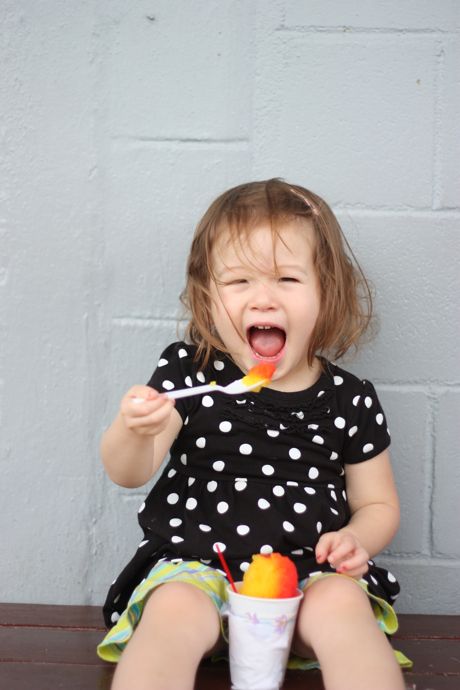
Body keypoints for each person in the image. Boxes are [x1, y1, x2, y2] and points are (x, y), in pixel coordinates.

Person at [97, 179, 408, 690]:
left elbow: (379, 504)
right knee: (171, 610)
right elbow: (126, 471)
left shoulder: (350, 399)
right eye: (238, 282)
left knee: (343, 604)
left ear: (326, 290)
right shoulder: (190, 372)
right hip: (197, 568)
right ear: (208, 296)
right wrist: (133, 430)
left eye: (287, 278)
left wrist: (355, 539)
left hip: (307, 575)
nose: (262, 298)